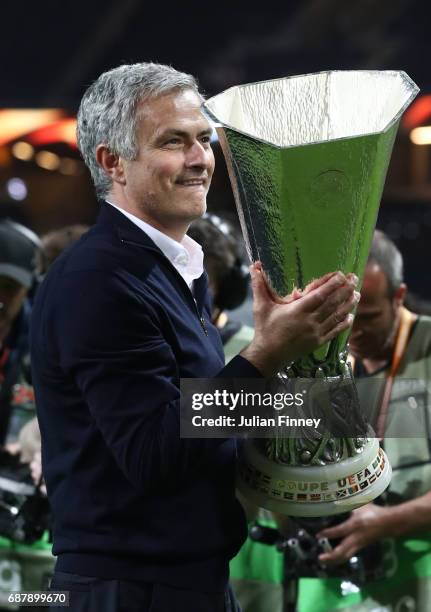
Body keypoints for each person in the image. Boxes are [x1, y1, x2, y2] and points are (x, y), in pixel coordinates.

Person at [30, 62, 358, 612]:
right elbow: (155, 453)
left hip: (185, 582)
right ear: (113, 161)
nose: (200, 159)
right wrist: (264, 354)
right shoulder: (101, 281)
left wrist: (307, 393)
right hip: (129, 591)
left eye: (204, 139)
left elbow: (205, 424)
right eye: (173, 142)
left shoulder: (169, 270)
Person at [298, 230, 431, 612]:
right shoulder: (317, 363)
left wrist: (388, 521)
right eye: (343, 319)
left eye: (368, 317)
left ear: (399, 297)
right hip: (336, 586)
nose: (353, 333)